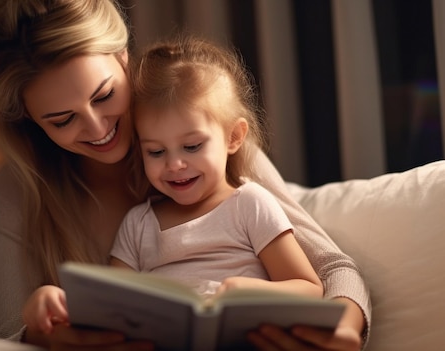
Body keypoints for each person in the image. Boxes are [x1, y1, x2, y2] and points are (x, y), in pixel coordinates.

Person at [0, 0, 371, 351]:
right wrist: (41, 334)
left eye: (104, 95)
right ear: (29, 120)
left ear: (124, 57)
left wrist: (343, 328)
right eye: (62, 119)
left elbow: (331, 269)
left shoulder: (208, 143)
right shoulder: (13, 198)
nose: (96, 128)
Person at [23, 35, 325, 336]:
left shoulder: (249, 204)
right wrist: (54, 300)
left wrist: (247, 292)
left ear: (233, 137)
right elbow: (108, 306)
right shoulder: (138, 225)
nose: (175, 165)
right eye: (155, 151)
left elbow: (310, 288)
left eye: (192, 146)